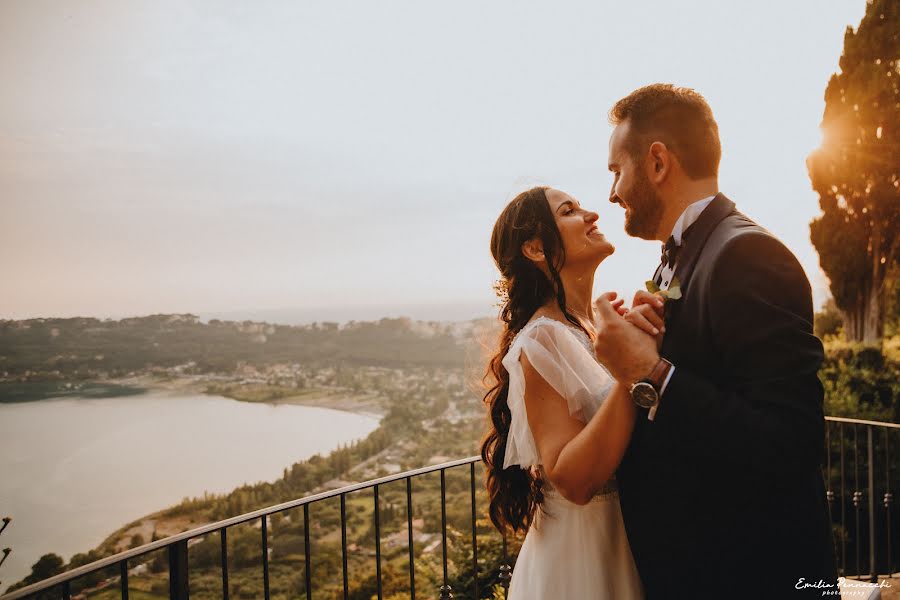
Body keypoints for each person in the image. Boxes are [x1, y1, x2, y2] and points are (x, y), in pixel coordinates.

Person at [594, 83, 837, 598]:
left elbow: (792, 440)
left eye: (617, 170)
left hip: (752, 575)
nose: (612, 192)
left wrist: (651, 373)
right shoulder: (677, 257)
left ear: (658, 161)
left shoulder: (745, 254)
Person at [482, 186, 646, 599]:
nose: (592, 214)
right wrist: (632, 373)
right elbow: (571, 480)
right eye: (570, 211)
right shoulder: (543, 340)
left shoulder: (590, 329)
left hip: (631, 536)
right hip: (587, 555)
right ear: (536, 249)